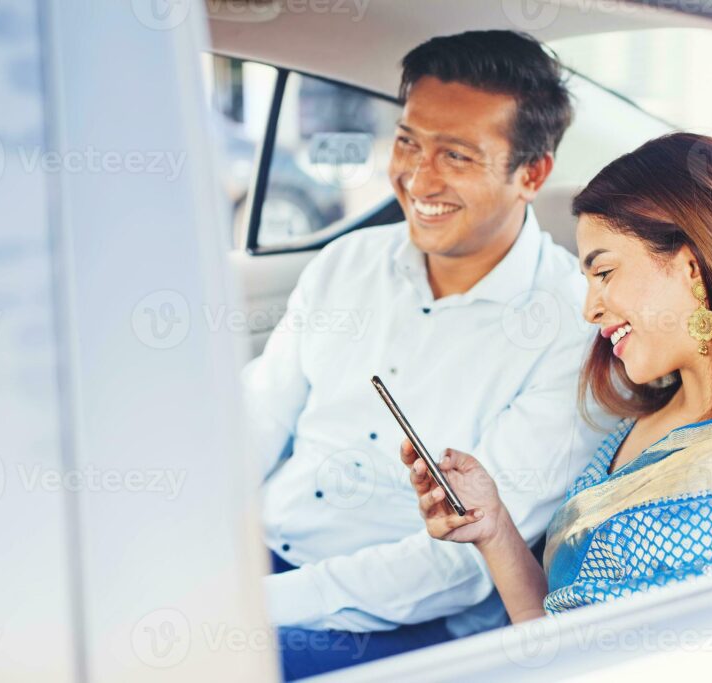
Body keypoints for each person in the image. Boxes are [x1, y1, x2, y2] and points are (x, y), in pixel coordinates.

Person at [402, 132, 712, 622]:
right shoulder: (633, 430)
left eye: (604, 273)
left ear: (691, 265)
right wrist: (492, 528)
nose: (590, 310)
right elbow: (553, 635)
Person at [244, 31, 607, 678]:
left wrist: (249, 606)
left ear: (533, 173)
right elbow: (258, 417)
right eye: (408, 140)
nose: (416, 176)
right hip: (257, 552)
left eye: (457, 156)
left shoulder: (571, 329)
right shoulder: (347, 262)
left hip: (400, 620)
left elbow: (458, 564)